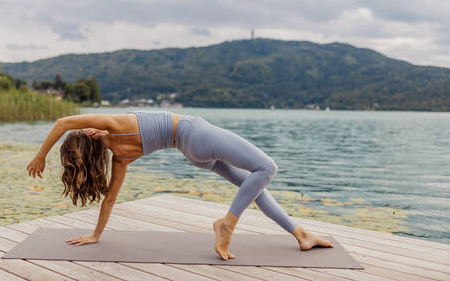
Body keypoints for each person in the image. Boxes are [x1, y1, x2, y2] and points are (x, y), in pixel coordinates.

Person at [27, 111, 333, 260]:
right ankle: (227, 223)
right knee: (267, 167)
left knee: (254, 186)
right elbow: (64, 122)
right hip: (194, 135)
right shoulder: (114, 125)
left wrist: (96, 235)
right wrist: (40, 155)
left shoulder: (119, 158)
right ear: (90, 136)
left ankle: (301, 233)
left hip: (191, 154)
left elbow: (109, 200)